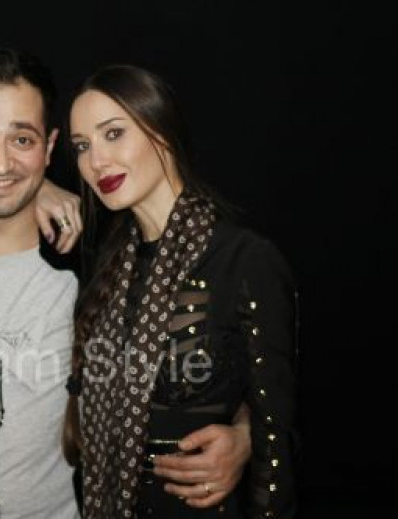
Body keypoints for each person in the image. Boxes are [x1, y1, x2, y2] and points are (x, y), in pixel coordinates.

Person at [0, 48, 252, 519]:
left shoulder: (96, 257)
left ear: (49, 147)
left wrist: (245, 434)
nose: (0, 163)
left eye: (21, 139)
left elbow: (215, 358)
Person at [65, 64, 299, 518]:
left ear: (161, 131)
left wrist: (246, 436)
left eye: (113, 134)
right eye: (82, 146)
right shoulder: (106, 267)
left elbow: (278, 440)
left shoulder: (244, 261)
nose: (96, 162)